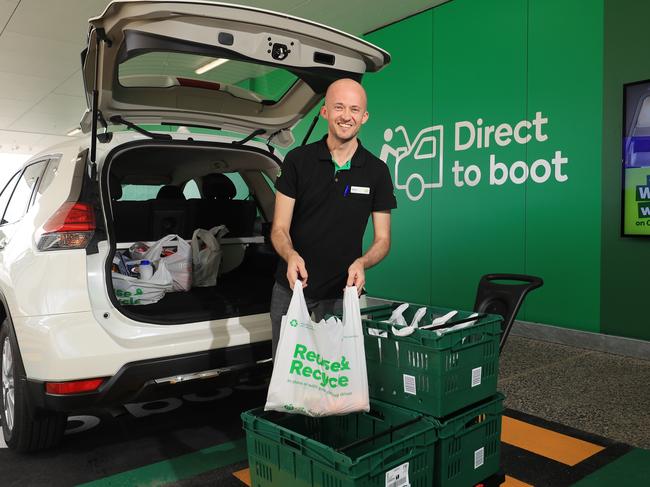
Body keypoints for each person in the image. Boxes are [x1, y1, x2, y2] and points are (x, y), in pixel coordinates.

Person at [270, 78, 397, 357]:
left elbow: (383, 239)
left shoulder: (377, 171)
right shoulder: (297, 161)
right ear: (325, 111)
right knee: (286, 375)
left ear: (364, 117)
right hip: (292, 288)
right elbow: (279, 228)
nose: (346, 116)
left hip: (343, 293)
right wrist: (291, 256)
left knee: (338, 380)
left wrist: (363, 262)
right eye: (338, 107)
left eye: (354, 109)